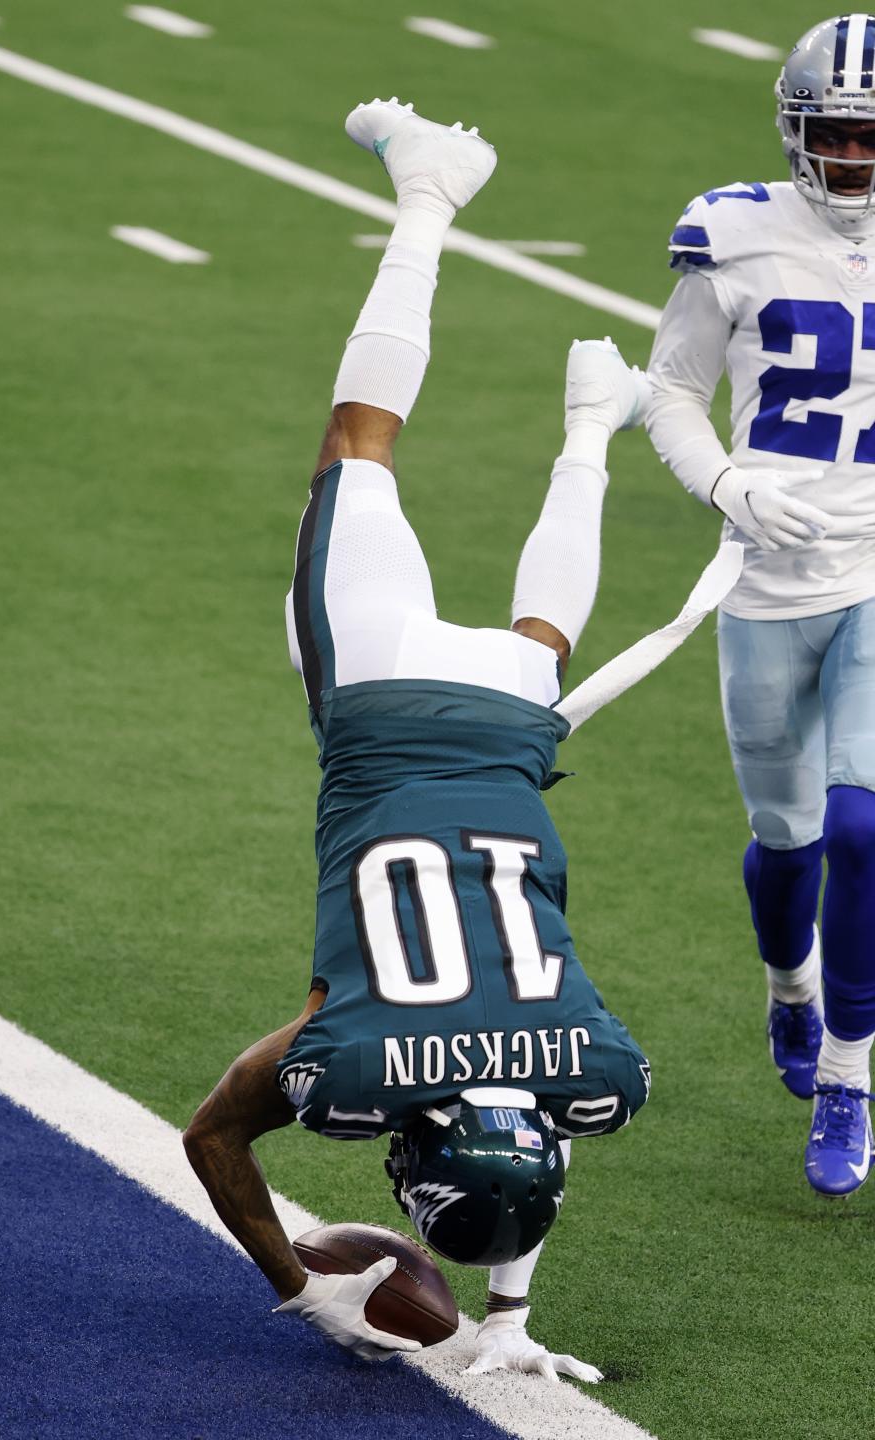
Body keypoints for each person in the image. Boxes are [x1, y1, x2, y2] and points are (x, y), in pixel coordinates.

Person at [184, 97, 734, 1378]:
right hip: (377, 709)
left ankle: (589, 427)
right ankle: (428, 193)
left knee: (539, 622)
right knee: (356, 447)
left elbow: (546, 1112)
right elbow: (216, 1136)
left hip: (510, 711)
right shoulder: (348, 1071)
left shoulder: (599, 1072)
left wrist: (510, 1314)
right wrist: (304, 1289)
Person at [646, 14, 875, 1198]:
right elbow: (672, 392)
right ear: (796, 131)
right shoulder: (733, 228)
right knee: (786, 846)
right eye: (837, 136)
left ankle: (849, 1074)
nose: (854, 161)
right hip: (762, 582)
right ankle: (789, 989)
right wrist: (727, 481)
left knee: (864, 828)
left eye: (873, 138)